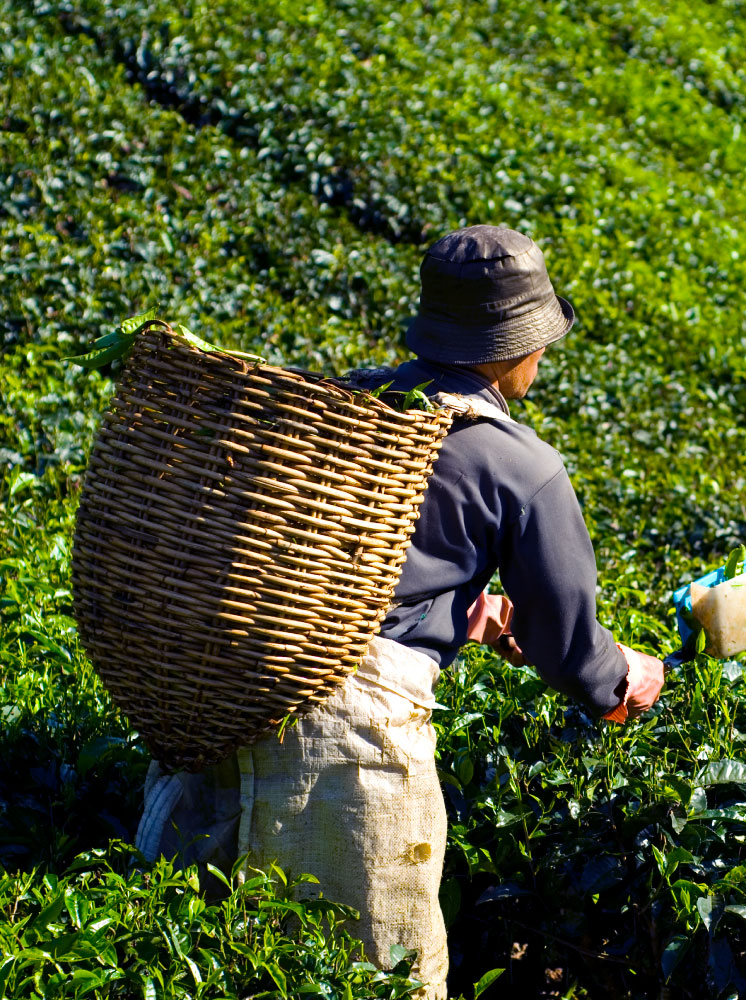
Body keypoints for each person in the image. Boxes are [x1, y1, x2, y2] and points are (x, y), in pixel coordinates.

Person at [136, 225, 664, 1000]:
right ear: (511, 345)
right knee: (369, 974)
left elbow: (347, 566)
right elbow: (569, 644)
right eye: (539, 339)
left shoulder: (353, 399)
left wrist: (465, 611)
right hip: (345, 746)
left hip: (233, 691)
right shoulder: (523, 465)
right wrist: (625, 678)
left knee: (195, 962)